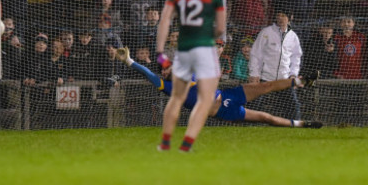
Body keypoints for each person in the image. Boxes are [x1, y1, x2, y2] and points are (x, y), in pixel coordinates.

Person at [115, 46, 321, 128]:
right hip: (223, 110)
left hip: (228, 94)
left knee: (265, 86)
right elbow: (148, 74)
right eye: (165, 69)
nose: (166, 70)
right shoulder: (169, 87)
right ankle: (303, 124)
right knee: (265, 118)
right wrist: (129, 61)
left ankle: (302, 81)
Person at [156, 0, 226, 152]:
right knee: (206, 99)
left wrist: (161, 53)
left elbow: (165, 19)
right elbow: (221, 28)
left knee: (177, 97)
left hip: (183, 50)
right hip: (204, 48)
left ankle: (165, 143)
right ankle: (186, 145)